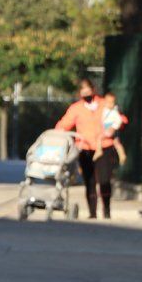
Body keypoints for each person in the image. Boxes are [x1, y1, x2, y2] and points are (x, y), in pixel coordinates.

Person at [55, 78, 114, 219]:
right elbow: (64, 124)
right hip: (85, 148)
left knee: (105, 180)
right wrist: (56, 133)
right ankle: (92, 213)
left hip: (103, 146)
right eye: (82, 90)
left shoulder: (103, 104)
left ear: (93, 90)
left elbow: (119, 117)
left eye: (88, 89)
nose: (86, 92)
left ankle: (106, 210)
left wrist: (115, 127)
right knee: (90, 181)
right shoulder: (76, 108)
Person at [96, 91, 128, 165]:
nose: (109, 104)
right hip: (108, 127)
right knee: (116, 142)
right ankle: (122, 155)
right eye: (107, 102)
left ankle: (98, 150)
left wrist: (113, 128)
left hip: (110, 127)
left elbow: (119, 120)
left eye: (111, 102)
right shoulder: (105, 109)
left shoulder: (114, 112)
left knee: (99, 137)